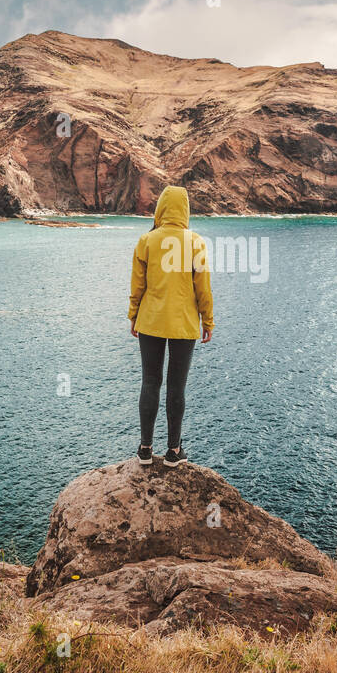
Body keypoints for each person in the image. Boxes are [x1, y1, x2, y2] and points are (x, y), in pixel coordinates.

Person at [127, 185, 214, 467]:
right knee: (177, 388)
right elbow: (203, 288)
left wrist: (133, 315)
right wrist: (208, 320)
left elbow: (137, 286)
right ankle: (174, 452)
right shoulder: (196, 242)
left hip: (150, 322)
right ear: (185, 209)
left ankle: (144, 449)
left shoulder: (146, 241)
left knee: (150, 382)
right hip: (184, 324)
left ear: (161, 208)